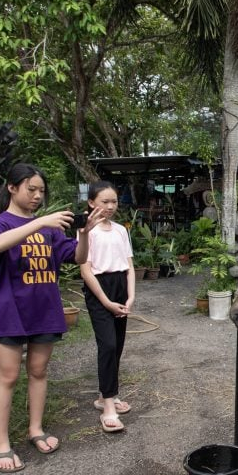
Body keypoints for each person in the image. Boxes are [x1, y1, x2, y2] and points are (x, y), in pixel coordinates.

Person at [0, 163, 102, 472]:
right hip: (11, 311)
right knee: (7, 376)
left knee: (38, 372)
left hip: (45, 310)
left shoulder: (49, 228)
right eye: (31, 189)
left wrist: (84, 234)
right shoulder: (0, 223)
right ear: (12, 187)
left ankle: (35, 428)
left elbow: (78, 257)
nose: (37, 196)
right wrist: (39, 224)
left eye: (41, 191)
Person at [80, 181, 136, 433]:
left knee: (118, 345)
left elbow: (129, 265)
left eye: (114, 201)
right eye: (105, 202)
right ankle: (108, 408)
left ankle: (107, 395)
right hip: (99, 289)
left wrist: (130, 297)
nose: (111, 206)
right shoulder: (86, 231)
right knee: (108, 345)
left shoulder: (120, 230)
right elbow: (85, 269)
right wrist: (105, 301)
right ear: (92, 202)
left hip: (120, 287)